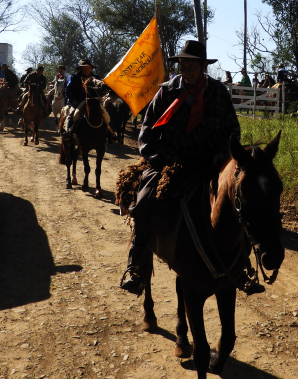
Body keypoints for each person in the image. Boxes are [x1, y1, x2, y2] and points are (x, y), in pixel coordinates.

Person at [119, 40, 240, 296]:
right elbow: (145, 135)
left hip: (211, 164)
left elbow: (233, 133)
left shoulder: (218, 93)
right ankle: (136, 268)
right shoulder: (165, 93)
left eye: (192, 65)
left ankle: (242, 265)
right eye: (183, 65)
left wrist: (221, 157)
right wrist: (162, 158)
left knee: (241, 202)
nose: (187, 70)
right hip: (169, 163)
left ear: (203, 67)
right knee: (142, 205)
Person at [63, 59, 99, 137]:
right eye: (84, 68)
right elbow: (68, 90)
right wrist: (73, 100)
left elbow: (100, 90)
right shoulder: (74, 77)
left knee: (105, 114)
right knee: (72, 115)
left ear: (91, 68)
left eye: (88, 68)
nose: (86, 70)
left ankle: (111, 133)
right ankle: (68, 133)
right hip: (77, 103)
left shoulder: (96, 77)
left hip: (92, 103)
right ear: (81, 69)